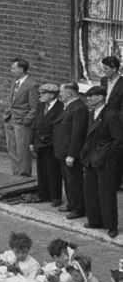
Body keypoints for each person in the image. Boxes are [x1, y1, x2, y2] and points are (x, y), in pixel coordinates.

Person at [82, 85, 119, 237]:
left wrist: (106, 155)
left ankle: (111, 225)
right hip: (91, 158)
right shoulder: (92, 114)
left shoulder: (111, 115)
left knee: (106, 193)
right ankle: (95, 220)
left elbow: (118, 140)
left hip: (104, 160)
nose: (88, 99)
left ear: (100, 97)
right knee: (91, 190)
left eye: (91, 96)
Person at [58, 82, 90, 220]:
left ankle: (78, 208)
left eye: (62, 92)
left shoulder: (79, 109)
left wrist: (71, 154)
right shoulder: (70, 106)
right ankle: (71, 203)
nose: (60, 94)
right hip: (63, 151)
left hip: (71, 153)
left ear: (70, 93)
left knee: (74, 181)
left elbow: (77, 134)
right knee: (68, 179)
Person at [31, 81, 65, 205]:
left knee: (53, 171)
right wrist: (32, 142)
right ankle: (43, 194)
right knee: (41, 170)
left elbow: (58, 128)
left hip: (51, 145)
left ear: (51, 95)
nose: (40, 95)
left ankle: (55, 197)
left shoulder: (60, 108)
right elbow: (35, 125)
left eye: (43, 93)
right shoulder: (41, 106)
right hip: (40, 143)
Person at [4, 57, 38, 177]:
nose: (11, 70)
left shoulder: (32, 85)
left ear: (21, 69)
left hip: (21, 122)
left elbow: (34, 107)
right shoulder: (15, 82)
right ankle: (15, 174)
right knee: (12, 149)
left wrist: (26, 120)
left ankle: (24, 175)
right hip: (10, 118)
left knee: (22, 151)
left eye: (13, 68)